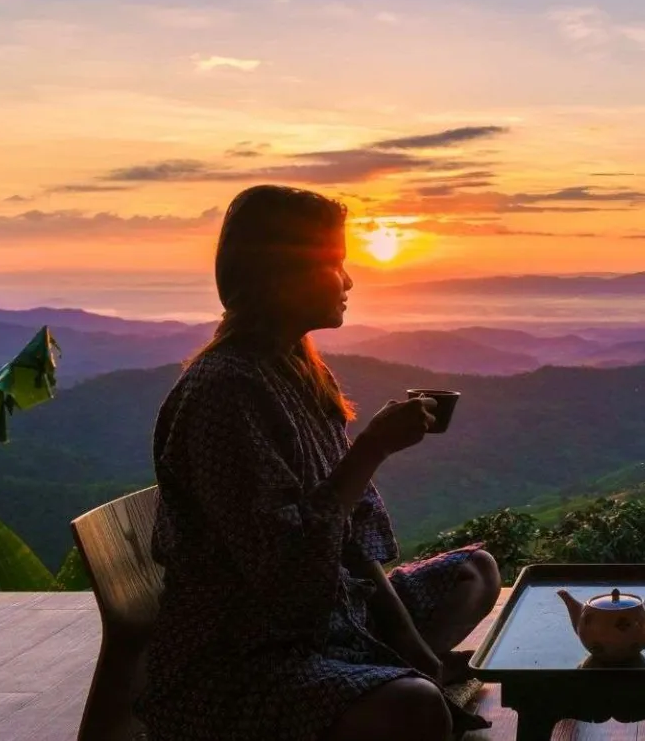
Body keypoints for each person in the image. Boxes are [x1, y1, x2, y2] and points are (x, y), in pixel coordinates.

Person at [139, 185, 499, 740]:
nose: (349, 281)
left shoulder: (299, 371)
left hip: (335, 616)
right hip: (247, 655)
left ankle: (393, 672)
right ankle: (391, 683)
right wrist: (371, 449)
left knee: (476, 571)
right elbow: (286, 580)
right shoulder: (227, 392)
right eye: (335, 264)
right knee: (414, 709)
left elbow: (352, 544)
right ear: (281, 275)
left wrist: (413, 649)